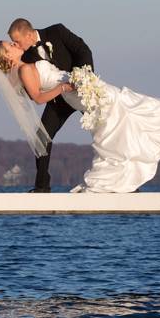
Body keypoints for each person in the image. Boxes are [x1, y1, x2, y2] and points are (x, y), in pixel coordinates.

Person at [0, 39, 160, 193]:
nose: (15, 45)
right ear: (8, 56)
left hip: (78, 86)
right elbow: (38, 97)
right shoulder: (25, 70)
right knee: (118, 104)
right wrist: (63, 87)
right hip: (74, 91)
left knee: (120, 103)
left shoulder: (27, 62)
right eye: (10, 46)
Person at [7, 18, 94, 192]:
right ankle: (42, 186)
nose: (15, 45)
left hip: (81, 90)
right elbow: (31, 88)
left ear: (29, 34)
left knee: (105, 127)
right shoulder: (24, 56)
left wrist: (85, 79)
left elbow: (82, 49)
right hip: (58, 99)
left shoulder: (57, 31)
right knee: (41, 138)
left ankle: (123, 179)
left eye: (17, 41)